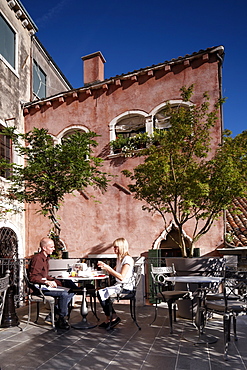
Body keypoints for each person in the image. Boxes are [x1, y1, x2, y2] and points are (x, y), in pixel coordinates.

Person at [29, 237, 74, 330]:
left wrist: (56, 280)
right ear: (44, 248)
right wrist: (46, 281)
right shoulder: (38, 259)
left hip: (44, 285)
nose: (53, 249)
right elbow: (33, 277)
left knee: (71, 290)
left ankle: (53, 315)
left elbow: (44, 275)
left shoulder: (45, 258)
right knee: (64, 294)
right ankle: (62, 318)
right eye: (51, 247)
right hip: (39, 288)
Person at [97, 238, 134, 330]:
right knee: (100, 292)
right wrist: (104, 267)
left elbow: (121, 277)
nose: (114, 250)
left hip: (125, 288)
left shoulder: (127, 259)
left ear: (122, 247)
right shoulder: (119, 259)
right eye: (114, 248)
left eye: (116, 247)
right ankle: (110, 317)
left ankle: (113, 317)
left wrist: (108, 268)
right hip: (119, 286)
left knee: (101, 293)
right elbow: (114, 272)